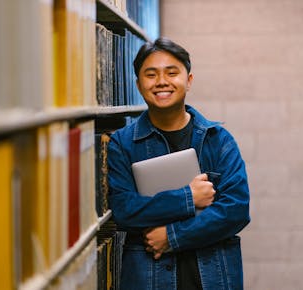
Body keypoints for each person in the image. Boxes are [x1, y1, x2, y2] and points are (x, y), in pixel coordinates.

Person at [107, 37, 250, 290]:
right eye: (151, 75)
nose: (161, 81)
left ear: (189, 80)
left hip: (213, 276)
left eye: (172, 73)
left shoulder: (218, 140)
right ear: (139, 85)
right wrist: (188, 197)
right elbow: (124, 210)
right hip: (148, 278)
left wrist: (171, 237)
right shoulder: (122, 143)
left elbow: (236, 210)